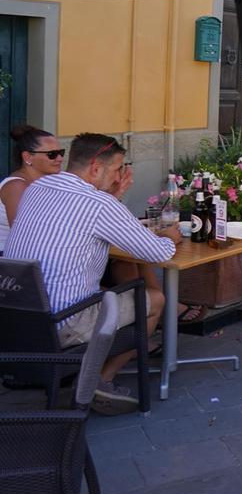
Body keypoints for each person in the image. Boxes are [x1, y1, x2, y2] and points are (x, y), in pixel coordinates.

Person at [7, 133, 176, 413]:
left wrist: (112, 197)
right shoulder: (99, 205)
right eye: (118, 169)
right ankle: (98, 381)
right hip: (63, 322)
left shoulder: (37, 188)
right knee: (155, 299)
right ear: (96, 168)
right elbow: (157, 253)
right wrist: (171, 237)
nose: (120, 176)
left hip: (20, 316)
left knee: (112, 287)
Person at [0, 124, 63, 253]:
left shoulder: (49, 181)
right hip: (9, 257)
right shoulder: (16, 186)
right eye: (52, 154)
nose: (60, 158)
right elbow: (25, 233)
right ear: (28, 157)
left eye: (61, 153)